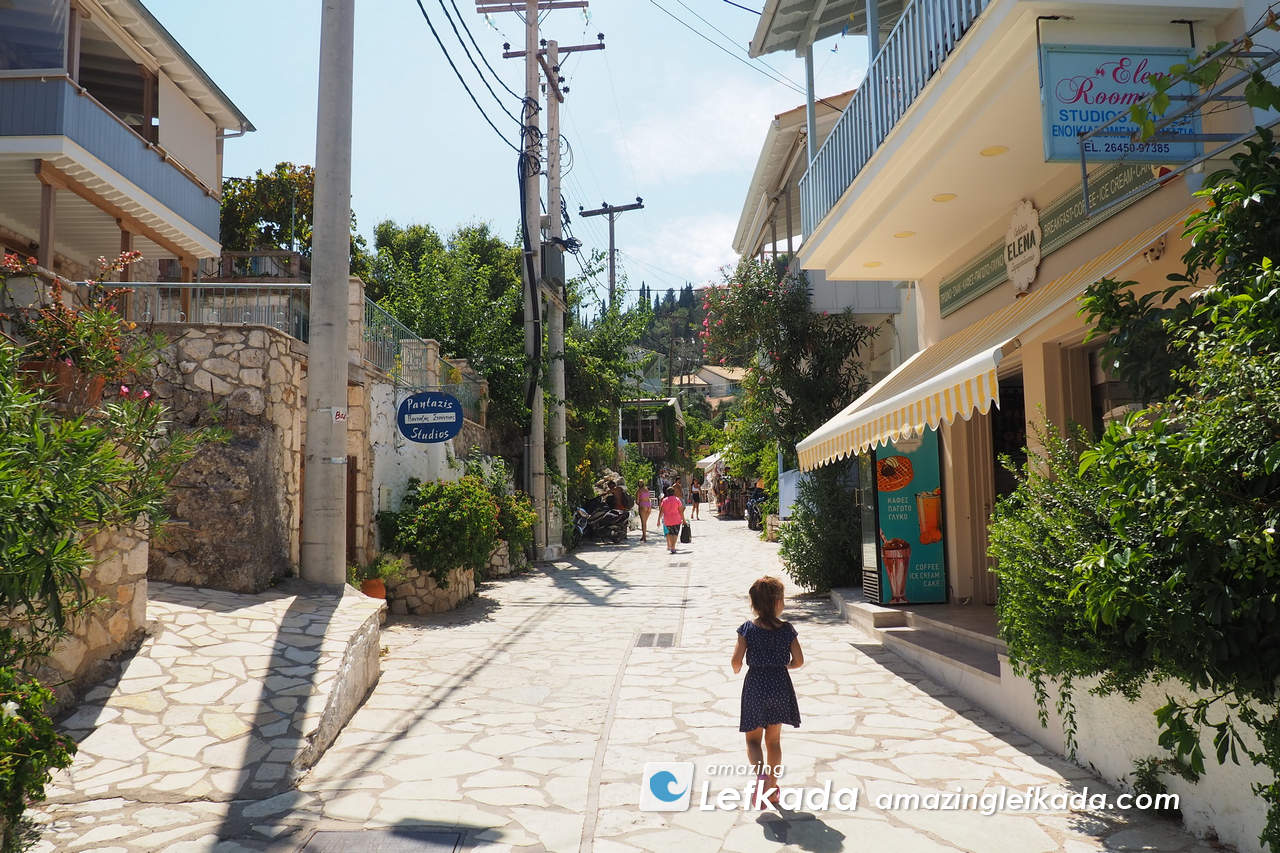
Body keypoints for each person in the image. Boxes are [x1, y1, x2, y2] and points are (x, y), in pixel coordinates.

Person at [731, 576, 803, 808]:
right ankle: (772, 786)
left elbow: (735, 662)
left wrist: (738, 667)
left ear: (753, 603)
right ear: (778, 603)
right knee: (774, 741)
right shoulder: (787, 630)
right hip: (780, 685)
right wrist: (786, 666)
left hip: (755, 685)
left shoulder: (747, 629)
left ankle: (760, 776)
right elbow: (799, 660)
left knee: (753, 740)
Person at [658, 486, 685, 554]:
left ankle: (672, 546)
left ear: (667, 493)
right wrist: (683, 520)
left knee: (670, 533)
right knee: (675, 533)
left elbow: (661, 511)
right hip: (676, 519)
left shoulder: (664, 500)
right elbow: (681, 511)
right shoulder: (677, 499)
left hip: (667, 520)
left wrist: (658, 520)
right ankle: (673, 547)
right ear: (674, 492)